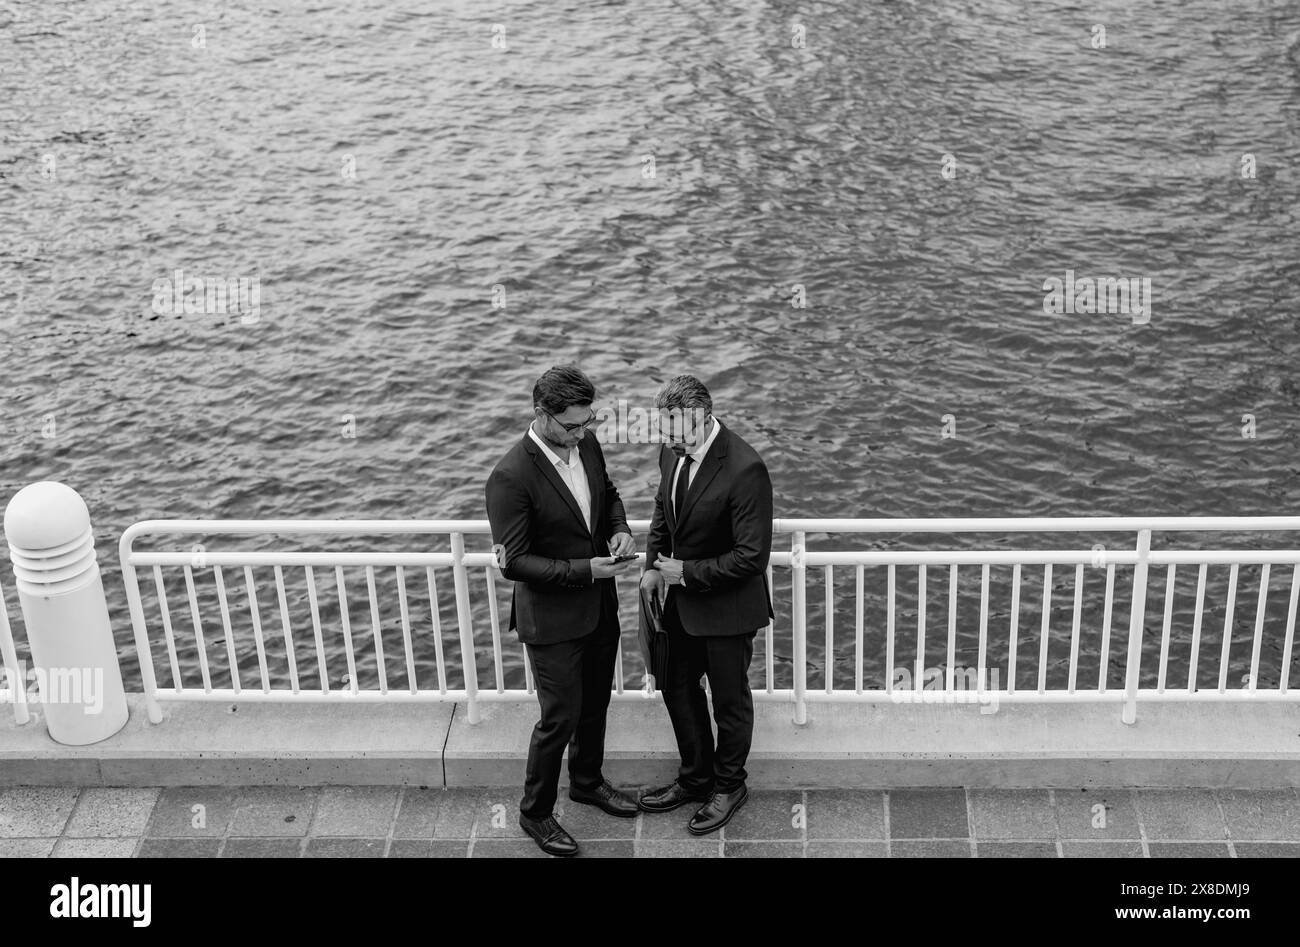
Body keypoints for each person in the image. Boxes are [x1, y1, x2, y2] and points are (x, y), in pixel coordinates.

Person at [485, 366, 640, 857]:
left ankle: (588, 782)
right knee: (560, 717)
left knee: (596, 702)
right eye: (572, 426)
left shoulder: (587, 444)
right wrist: (584, 569)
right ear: (541, 415)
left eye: (587, 422)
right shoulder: (510, 476)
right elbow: (515, 562)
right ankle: (535, 812)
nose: (582, 433)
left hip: (598, 608)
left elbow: (608, 496)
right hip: (550, 620)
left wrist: (619, 528)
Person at [637, 375, 774, 834]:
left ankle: (730, 786)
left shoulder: (745, 468)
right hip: (679, 603)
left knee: (729, 703)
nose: (671, 441)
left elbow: (752, 557)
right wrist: (654, 566)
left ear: (706, 416)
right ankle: (695, 778)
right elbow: (663, 509)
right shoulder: (670, 452)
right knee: (676, 687)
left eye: (680, 433)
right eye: (666, 431)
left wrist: (688, 573)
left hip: (729, 609)